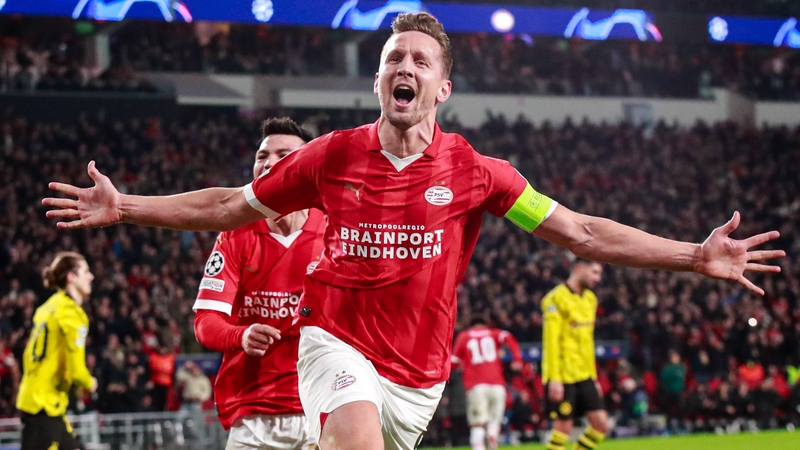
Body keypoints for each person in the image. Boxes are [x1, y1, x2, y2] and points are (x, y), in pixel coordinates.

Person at [43, 12, 785, 450]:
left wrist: (695, 255)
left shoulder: (481, 175)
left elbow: (582, 233)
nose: (404, 66)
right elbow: (230, 206)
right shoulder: (328, 158)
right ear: (378, 83)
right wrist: (129, 205)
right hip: (334, 341)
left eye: (419, 60)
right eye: (392, 57)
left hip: (421, 380)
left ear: (442, 87)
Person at [191, 117, 324, 449]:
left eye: (283, 154)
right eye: (262, 155)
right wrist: (242, 334)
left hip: (323, 407)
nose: (268, 163)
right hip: (254, 416)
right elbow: (205, 323)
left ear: (306, 166)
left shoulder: (335, 230)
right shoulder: (236, 234)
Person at [16, 252, 98, 450]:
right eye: (85, 271)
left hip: (40, 402)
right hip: (44, 408)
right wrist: (90, 382)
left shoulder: (47, 307)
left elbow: (28, 356)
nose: (91, 276)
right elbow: (77, 371)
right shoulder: (72, 315)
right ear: (71, 277)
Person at [541, 260, 607, 450]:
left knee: (601, 424)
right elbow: (551, 342)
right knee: (564, 427)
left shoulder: (590, 300)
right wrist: (554, 378)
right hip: (562, 375)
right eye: (594, 272)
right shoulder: (555, 299)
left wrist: (593, 377)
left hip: (584, 374)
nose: (598, 278)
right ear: (579, 269)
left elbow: (588, 343)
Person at [452, 317, 522, 450]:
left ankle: (479, 447)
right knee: (494, 420)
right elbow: (508, 337)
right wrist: (517, 358)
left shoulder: (464, 336)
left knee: (477, 424)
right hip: (497, 385)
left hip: (476, 386)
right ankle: (492, 434)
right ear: (486, 324)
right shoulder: (493, 333)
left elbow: (454, 361)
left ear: (471, 325)